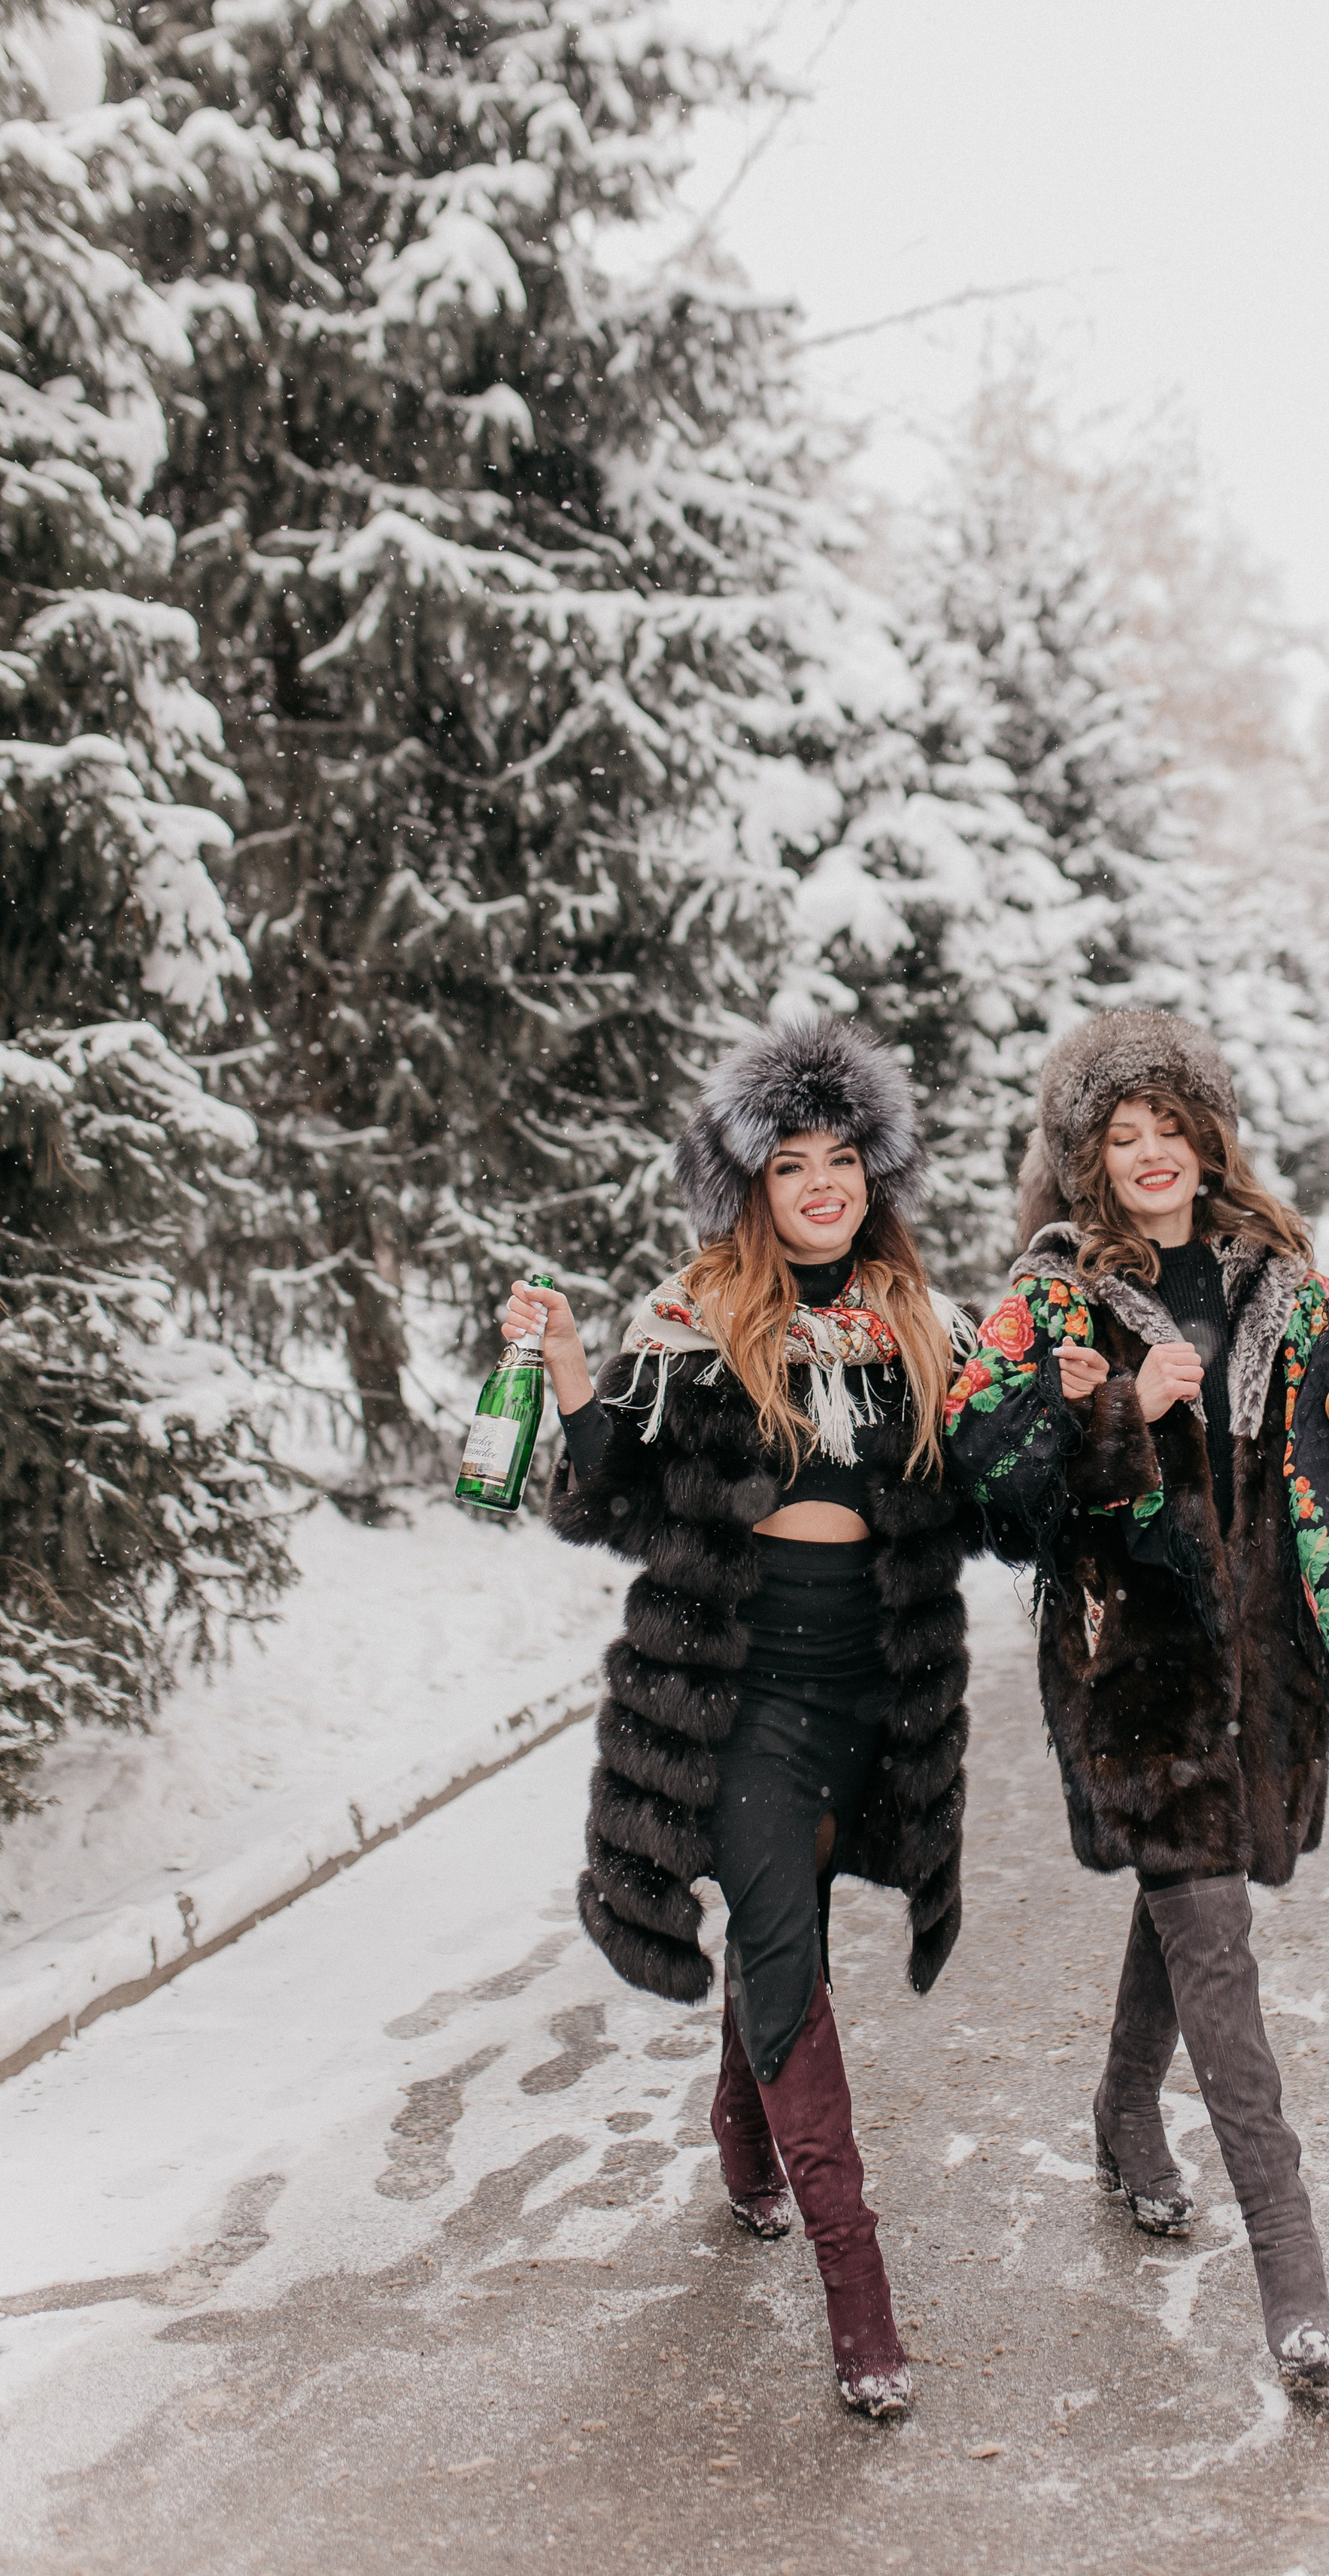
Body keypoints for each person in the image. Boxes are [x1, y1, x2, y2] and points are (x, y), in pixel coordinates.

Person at [942, 1008, 1329, 2394]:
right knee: (1215, 1946)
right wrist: (1115, 1415)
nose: (1151, 1154)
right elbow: (985, 1478)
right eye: (1123, 1132)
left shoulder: (1272, 1275)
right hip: (1135, 1661)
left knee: (1195, 1896)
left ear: (1207, 1137)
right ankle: (1295, 2272)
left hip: (1268, 1657)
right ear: (1088, 1159)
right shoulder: (1052, 1297)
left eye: (1171, 1126)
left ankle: (1118, 2115)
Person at [505, 1019, 976, 2419]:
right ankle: (860, 2302)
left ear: (873, 1176)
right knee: (781, 1942)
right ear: (753, 1184)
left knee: (801, 1925)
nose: (821, 1184)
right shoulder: (695, 1313)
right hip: (744, 1690)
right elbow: (614, 1502)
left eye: (843, 1159)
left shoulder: (919, 1323)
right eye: (793, 1162)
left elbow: (987, 1498)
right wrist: (577, 1367)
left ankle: (742, 2132)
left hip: (877, 1690)